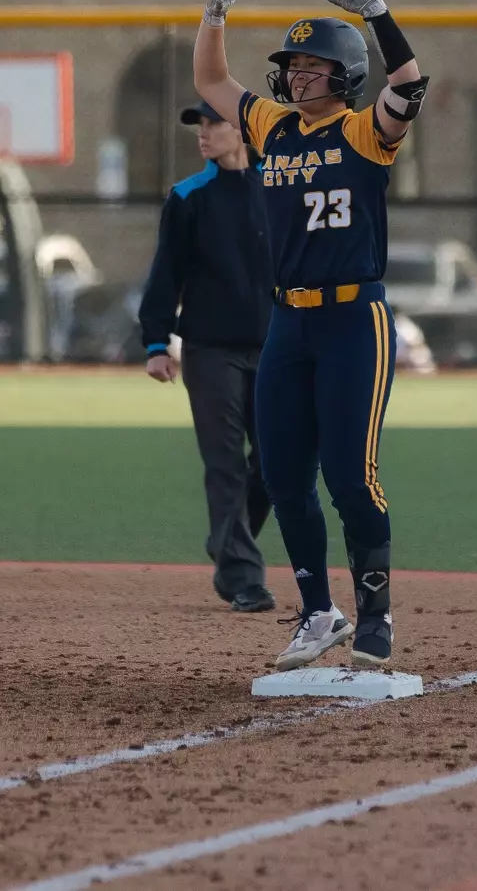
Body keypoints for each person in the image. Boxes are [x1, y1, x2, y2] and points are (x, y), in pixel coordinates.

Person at [194, 0, 427, 672]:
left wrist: (377, 14)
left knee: (350, 477)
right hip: (288, 324)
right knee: (285, 474)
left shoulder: (362, 132)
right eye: (292, 65)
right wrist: (214, 14)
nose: (296, 76)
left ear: (346, 73)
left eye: (312, 65)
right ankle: (318, 610)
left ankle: (376, 612)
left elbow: (410, 85)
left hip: (356, 320)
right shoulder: (272, 129)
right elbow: (210, 83)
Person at [138, 99, 276, 615]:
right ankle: (244, 578)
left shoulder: (280, 186)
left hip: (277, 348)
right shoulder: (188, 196)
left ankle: (228, 543)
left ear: (242, 128)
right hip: (210, 350)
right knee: (225, 465)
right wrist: (156, 343)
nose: (203, 132)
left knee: (276, 465)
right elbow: (165, 275)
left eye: (213, 123)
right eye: (198, 124)